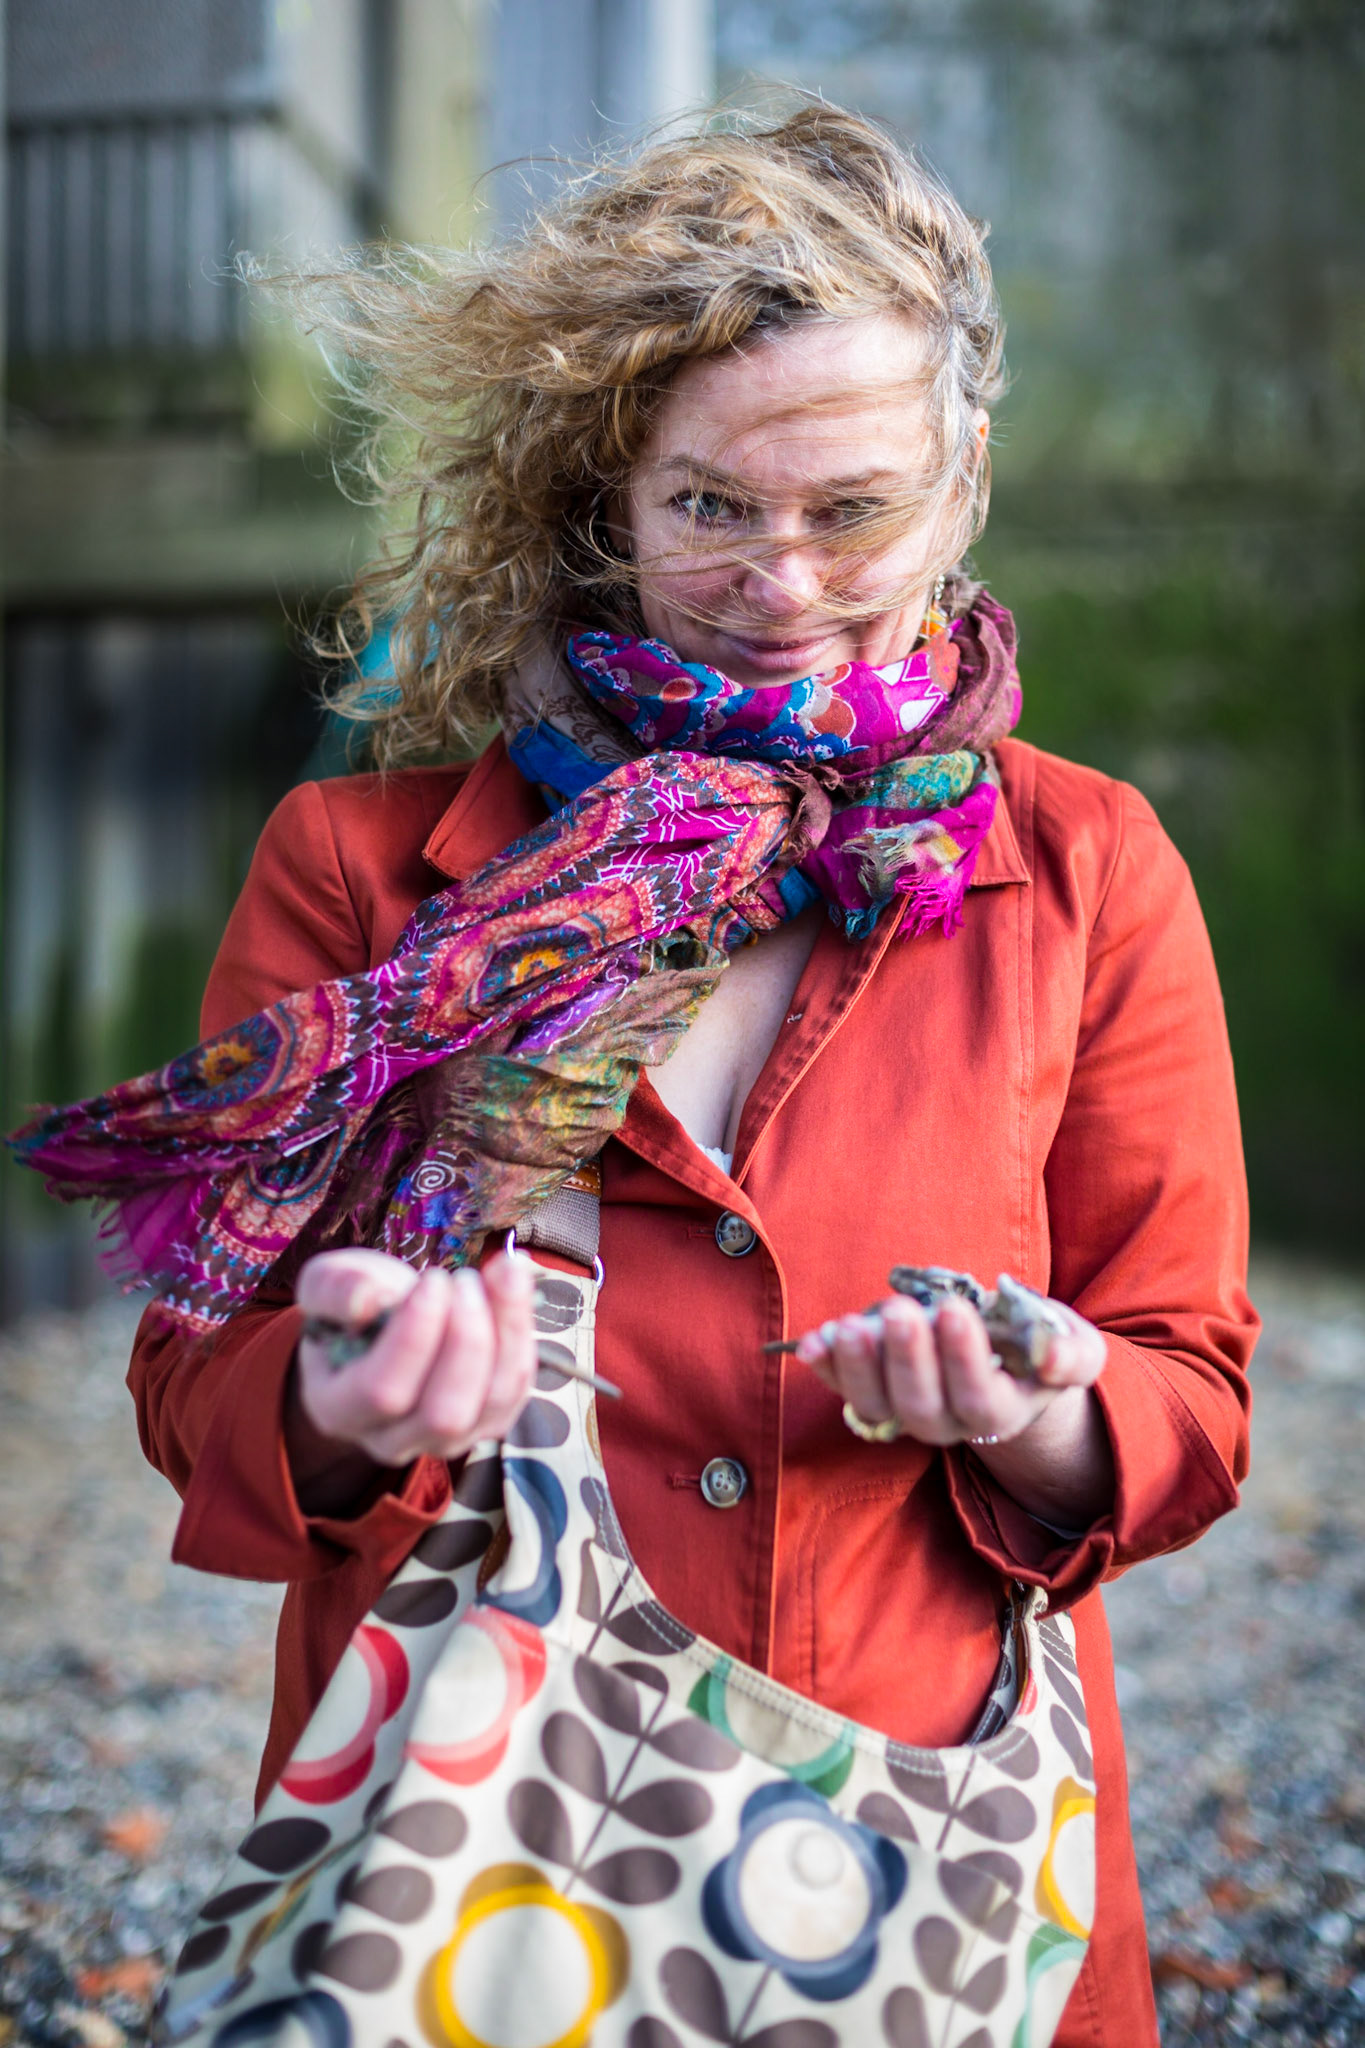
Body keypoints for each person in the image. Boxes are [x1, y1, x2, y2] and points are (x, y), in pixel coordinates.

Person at [31, 105, 1255, 2047]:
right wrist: (340, 1402)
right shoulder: (355, 868)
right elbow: (198, 1391)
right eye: (708, 506)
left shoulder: (1088, 869)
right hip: (469, 1859)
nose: (780, 579)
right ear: (604, 493)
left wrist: (1042, 1412)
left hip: (924, 1848)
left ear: (961, 487)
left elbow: (1186, 1388)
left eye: (849, 509)